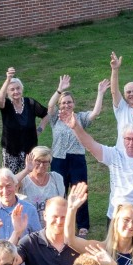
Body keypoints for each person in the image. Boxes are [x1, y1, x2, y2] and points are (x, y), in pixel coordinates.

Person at [63, 102, 133, 264]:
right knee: (116, 261)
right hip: (118, 218)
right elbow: (90, 144)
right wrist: (75, 127)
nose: (131, 142)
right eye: (128, 139)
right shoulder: (114, 155)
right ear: (122, 139)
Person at [47, 74, 108, 234]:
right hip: (58, 159)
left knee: (80, 191)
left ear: (73, 104)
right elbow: (50, 106)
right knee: (59, 191)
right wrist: (60, 90)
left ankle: (82, 225)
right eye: (63, 103)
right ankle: (60, 219)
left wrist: (100, 93)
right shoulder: (55, 119)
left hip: (77, 160)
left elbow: (95, 112)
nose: (66, 105)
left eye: (69, 102)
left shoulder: (80, 118)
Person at [0, 67, 48, 173]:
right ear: (7, 93)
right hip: (11, 151)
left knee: (30, 179)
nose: (16, 91)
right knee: (11, 179)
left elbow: (47, 114)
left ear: (22, 89)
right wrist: (8, 79)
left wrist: (40, 129)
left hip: (30, 150)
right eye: (12, 89)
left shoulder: (30, 103)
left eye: (18, 88)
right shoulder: (7, 105)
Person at [15, 147, 66, 219]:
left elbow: (61, 202)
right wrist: (26, 170)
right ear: (31, 160)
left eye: (45, 162)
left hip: (52, 225)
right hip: (29, 226)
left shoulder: (56, 178)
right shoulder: (23, 180)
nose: (41, 165)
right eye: (38, 161)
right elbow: (10, 183)